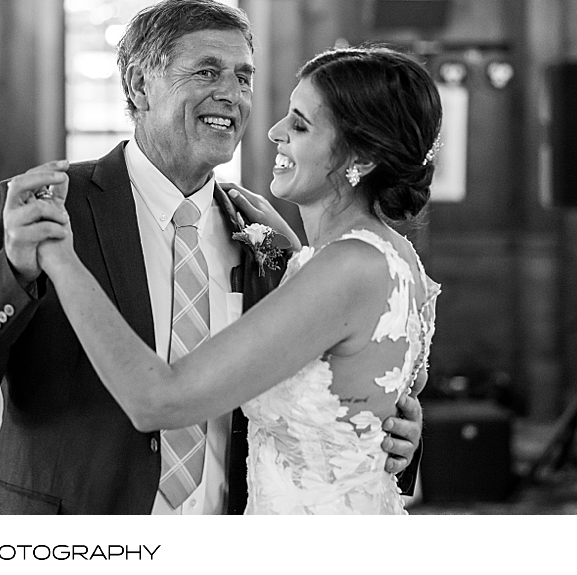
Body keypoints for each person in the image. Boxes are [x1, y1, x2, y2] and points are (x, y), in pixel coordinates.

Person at [0, 0, 422, 515]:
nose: (232, 96)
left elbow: (325, 381)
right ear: (139, 87)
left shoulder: (269, 232)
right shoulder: (49, 209)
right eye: (206, 72)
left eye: (243, 77)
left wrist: (392, 429)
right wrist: (15, 271)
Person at [34, 43, 442, 514]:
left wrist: (62, 260)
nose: (273, 131)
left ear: (363, 159)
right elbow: (390, 396)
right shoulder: (396, 256)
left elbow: (158, 401)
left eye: (301, 124)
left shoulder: (344, 269)